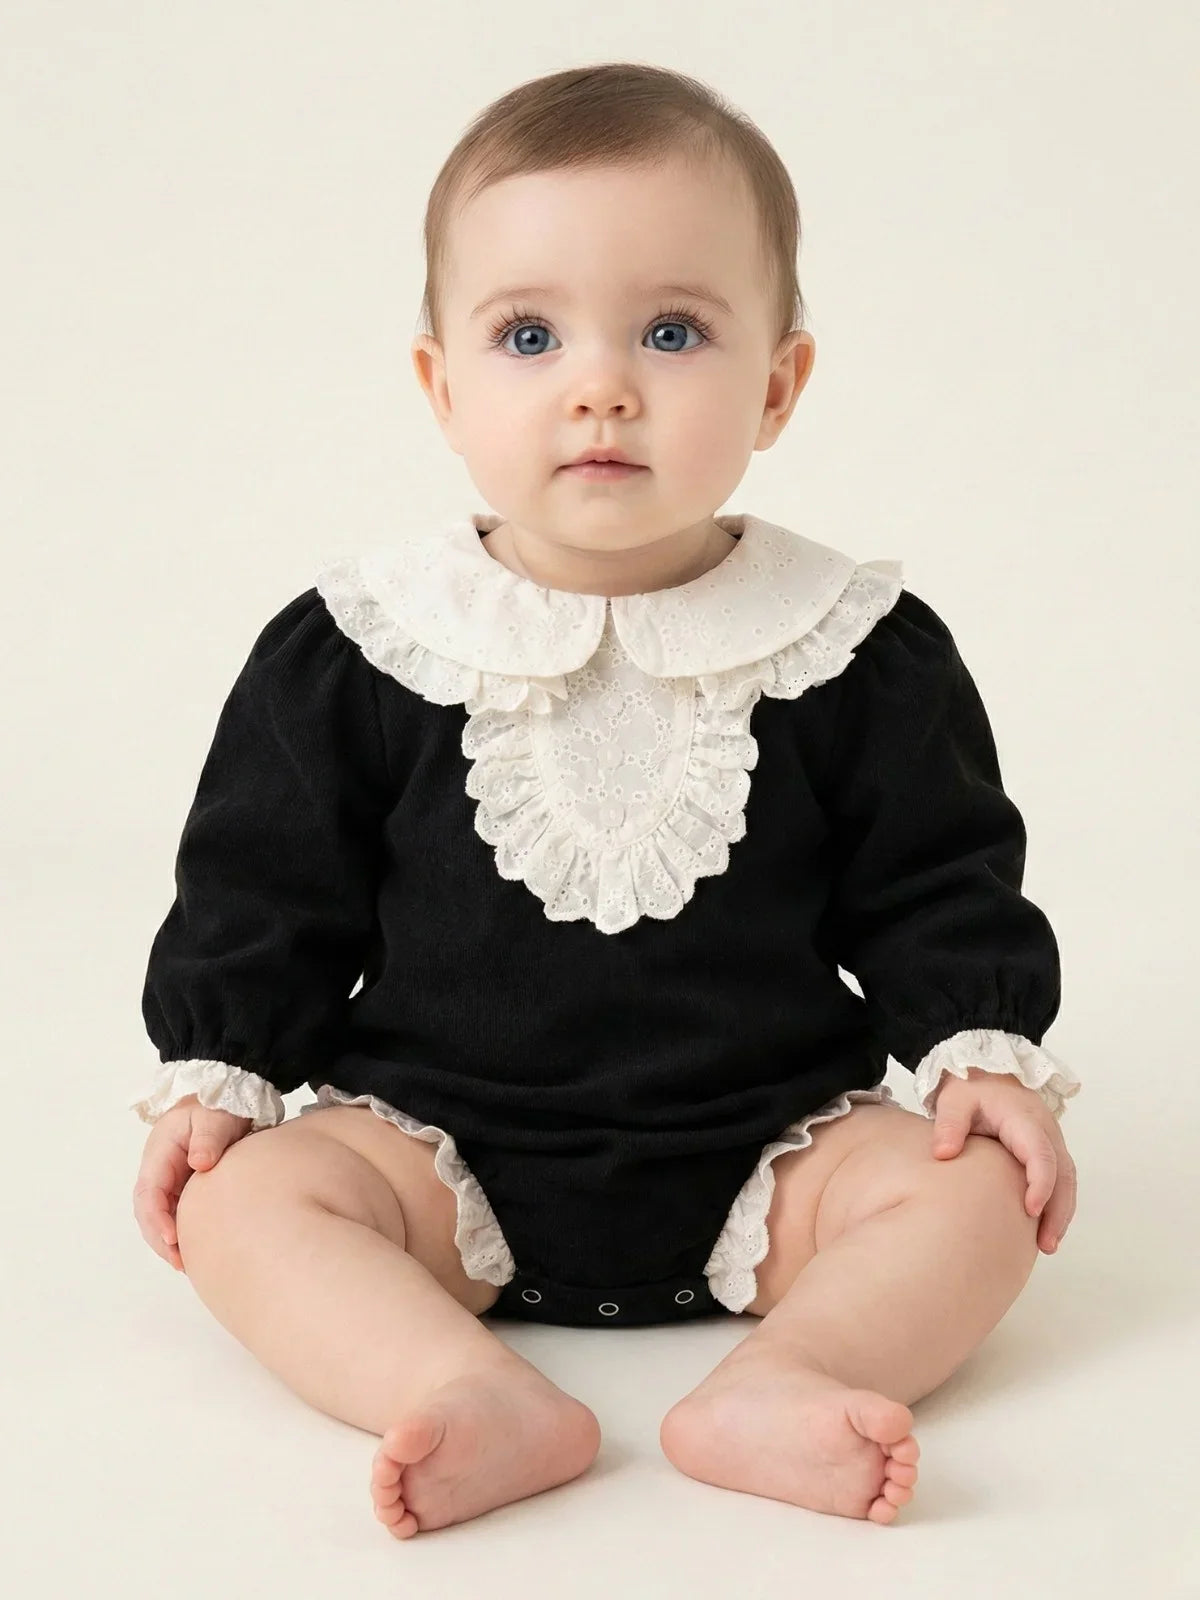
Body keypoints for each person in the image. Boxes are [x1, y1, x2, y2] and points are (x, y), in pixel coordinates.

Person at [129, 61, 1081, 1538]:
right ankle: (455, 1383)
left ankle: (793, 1373)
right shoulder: (361, 647)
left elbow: (935, 879)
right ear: (443, 386)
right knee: (245, 1203)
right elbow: (267, 889)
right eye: (529, 335)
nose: (601, 386)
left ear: (779, 385)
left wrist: (978, 1050)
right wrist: (224, 1071)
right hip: (429, 1146)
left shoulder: (852, 646)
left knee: (979, 1196)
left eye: (673, 331)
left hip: (781, 1145)